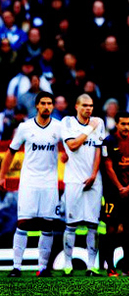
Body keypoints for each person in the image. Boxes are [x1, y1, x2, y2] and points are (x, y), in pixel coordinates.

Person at [2, 91, 61, 277]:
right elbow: (11, 151)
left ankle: (43, 268)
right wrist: (2, 175)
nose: (46, 106)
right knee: (23, 222)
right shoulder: (25, 127)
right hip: (29, 181)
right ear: (37, 105)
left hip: (50, 182)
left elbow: (71, 145)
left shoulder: (59, 127)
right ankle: (16, 267)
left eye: (50, 103)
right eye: (43, 103)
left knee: (48, 224)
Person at [61, 94, 106, 277]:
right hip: (73, 179)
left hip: (94, 180)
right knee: (71, 223)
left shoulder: (98, 122)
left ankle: (91, 266)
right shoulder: (67, 122)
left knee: (92, 224)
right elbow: (72, 145)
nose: (89, 109)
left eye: (91, 106)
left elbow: (98, 150)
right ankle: (67, 265)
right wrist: (89, 129)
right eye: (85, 106)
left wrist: (94, 175)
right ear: (76, 107)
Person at [99, 111, 129, 277]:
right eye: (123, 124)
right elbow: (108, 166)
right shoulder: (108, 141)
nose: (126, 127)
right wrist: (120, 187)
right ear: (116, 124)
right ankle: (110, 267)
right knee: (110, 229)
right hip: (112, 193)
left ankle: (128, 267)